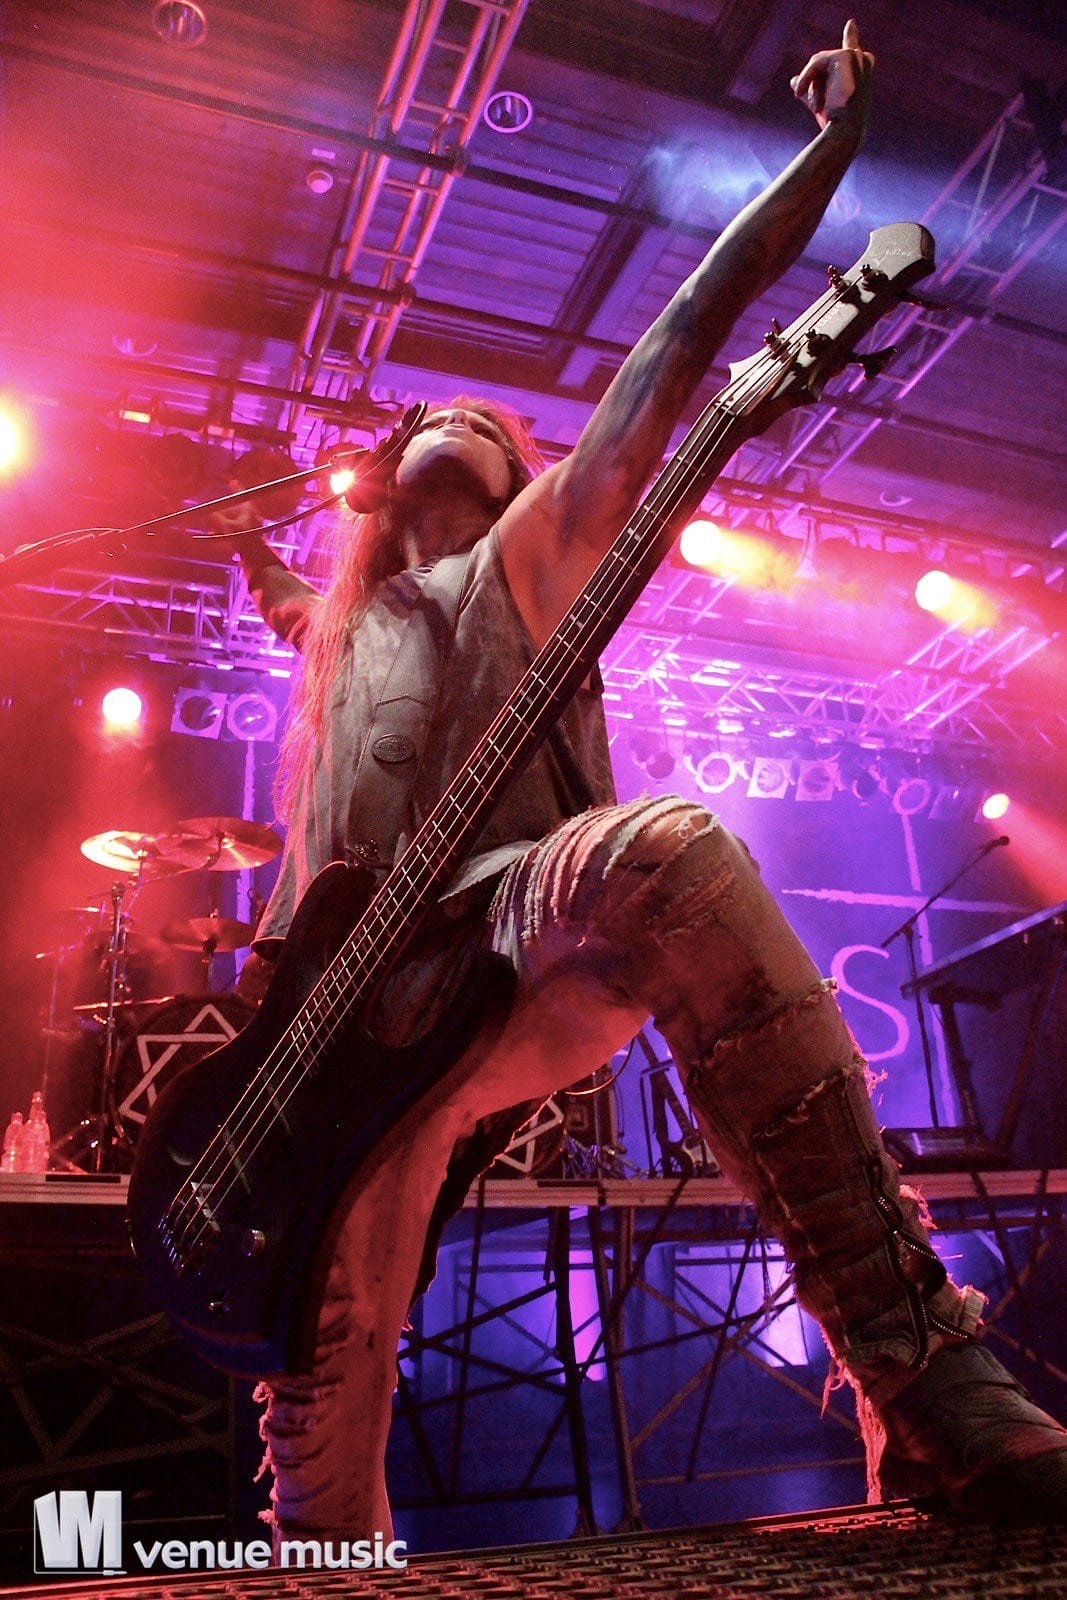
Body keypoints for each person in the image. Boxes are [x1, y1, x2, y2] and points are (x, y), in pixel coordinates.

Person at [218, 21, 1067, 1549]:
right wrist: (232, 537)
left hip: (504, 928)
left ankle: (918, 1370)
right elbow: (287, 606)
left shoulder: (527, 551)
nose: (451, 417)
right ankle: (320, 1551)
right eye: (425, 418)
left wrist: (822, 161)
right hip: (336, 1019)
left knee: (663, 853)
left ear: (518, 471)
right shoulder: (343, 628)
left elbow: (676, 343)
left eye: (486, 423)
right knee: (320, 1416)